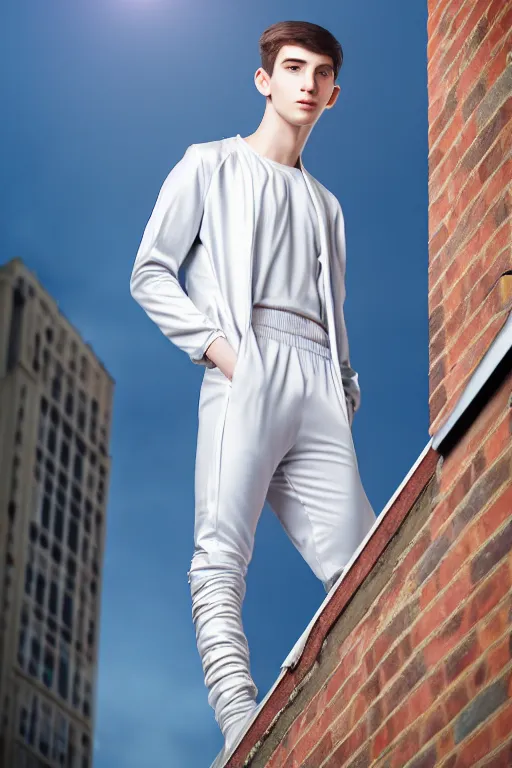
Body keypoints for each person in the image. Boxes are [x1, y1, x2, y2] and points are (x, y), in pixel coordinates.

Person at [130, 19, 376, 767]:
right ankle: (240, 723)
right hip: (248, 366)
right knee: (219, 558)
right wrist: (224, 354)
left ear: (334, 95)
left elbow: (331, 302)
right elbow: (149, 272)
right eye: (294, 67)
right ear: (264, 80)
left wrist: (343, 386)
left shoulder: (328, 206)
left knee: (365, 558)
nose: (307, 82)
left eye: (322, 72)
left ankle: (372, 706)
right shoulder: (208, 165)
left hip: (319, 383)